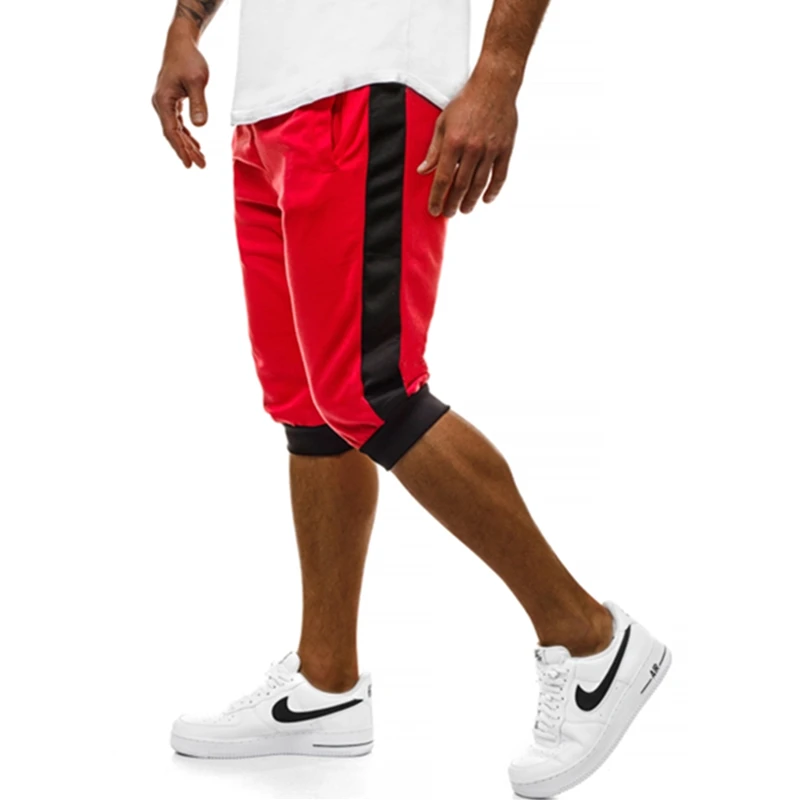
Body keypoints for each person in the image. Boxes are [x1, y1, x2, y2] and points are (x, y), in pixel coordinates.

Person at [153, 1, 671, 795]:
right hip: (268, 104)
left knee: (373, 391)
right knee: (308, 405)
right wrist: (186, 23)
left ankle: (592, 640)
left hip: (372, 77)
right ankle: (326, 686)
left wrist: (498, 73)